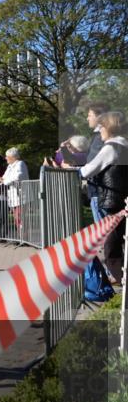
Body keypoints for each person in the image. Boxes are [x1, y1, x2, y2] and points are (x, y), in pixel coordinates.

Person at [65, 111, 127, 284]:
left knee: (111, 249)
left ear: (109, 127)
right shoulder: (125, 145)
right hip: (121, 200)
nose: (99, 131)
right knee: (120, 245)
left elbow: (87, 170)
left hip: (111, 201)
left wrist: (70, 171)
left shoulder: (111, 147)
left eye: (102, 127)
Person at [85, 102, 110, 224]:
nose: (87, 118)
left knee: (104, 236)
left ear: (99, 117)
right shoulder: (99, 136)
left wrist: (74, 169)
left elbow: (93, 165)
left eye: (89, 115)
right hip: (100, 190)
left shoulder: (100, 137)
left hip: (99, 191)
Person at [0, 148, 29, 234]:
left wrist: (4, 181)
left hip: (21, 196)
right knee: (17, 218)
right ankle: (21, 237)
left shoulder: (20, 164)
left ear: (12, 157)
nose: (5, 158)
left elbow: (18, 176)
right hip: (14, 196)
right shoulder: (9, 166)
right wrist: (0, 179)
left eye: (7, 156)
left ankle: (24, 237)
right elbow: (4, 177)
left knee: (19, 217)